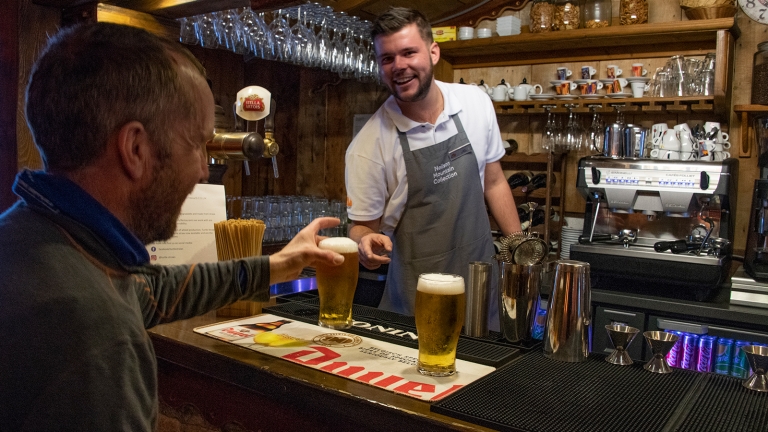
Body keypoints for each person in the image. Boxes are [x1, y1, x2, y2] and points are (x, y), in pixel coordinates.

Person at [0, 23, 344, 431]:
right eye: (197, 144)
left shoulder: (33, 238)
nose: (203, 169)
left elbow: (151, 291)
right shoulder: (95, 332)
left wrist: (277, 266)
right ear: (136, 149)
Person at [345, 7, 521, 329]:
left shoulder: (475, 103)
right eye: (387, 58)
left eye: (409, 52)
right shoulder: (368, 146)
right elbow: (361, 227)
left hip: (483, 293)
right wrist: (364, 244)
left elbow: (494, 182)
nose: (399, 66)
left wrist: (520, 249)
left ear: (434, 51)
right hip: (417, 303)